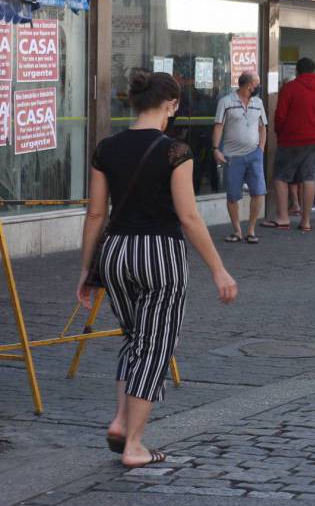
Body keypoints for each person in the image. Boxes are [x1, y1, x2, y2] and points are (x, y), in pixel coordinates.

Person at [77, 71, 238, 468]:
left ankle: (120, 420)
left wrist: (86, 270)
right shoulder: (175, 152)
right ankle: (134, 444)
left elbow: (96, 213)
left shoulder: (106, 148)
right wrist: (219, 269)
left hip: (115, 254)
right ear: (171, 105)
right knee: (155, 347)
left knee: (134, 339)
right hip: (160, 255)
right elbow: (188, 215)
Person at [264, 57, 315, 233]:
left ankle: (283, 217)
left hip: (291, 140)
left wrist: (279, 133)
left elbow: (280, 115)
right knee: (309, 178)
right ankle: (306, 221)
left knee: (281, 176)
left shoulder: (290, 88)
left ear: (298, 71)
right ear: (313, 71)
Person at [211, 71, 267, 244]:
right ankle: (237, 230)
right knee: (233, 195)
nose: (258, 87)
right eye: (257, 83)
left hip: (254, 155)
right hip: (232, 156)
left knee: (258, 192)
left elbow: (263, 127)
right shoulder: (226, 102)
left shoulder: (258, 102)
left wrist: (261, 149)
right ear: (249, 85)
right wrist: (215, 149)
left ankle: (251, 230)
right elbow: (218, 126)